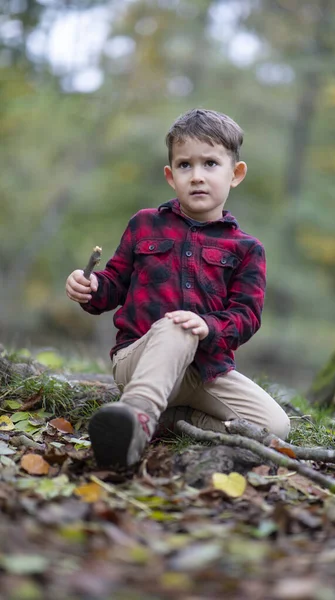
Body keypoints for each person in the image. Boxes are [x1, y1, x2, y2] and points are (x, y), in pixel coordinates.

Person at [65, 108, 290, 469]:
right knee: (177, 326)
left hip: (204, 370)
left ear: (236, 173)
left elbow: (246, 316)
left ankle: (169, 420)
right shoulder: (145, 224)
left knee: (276, 426)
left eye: (211, 164)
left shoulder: (247, 249)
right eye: (185, 165)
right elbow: (113, 286)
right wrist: (89, 286)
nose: (197, 176)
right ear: (171, 176)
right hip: (140, 362)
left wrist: (210, 326)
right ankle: (135, 420)